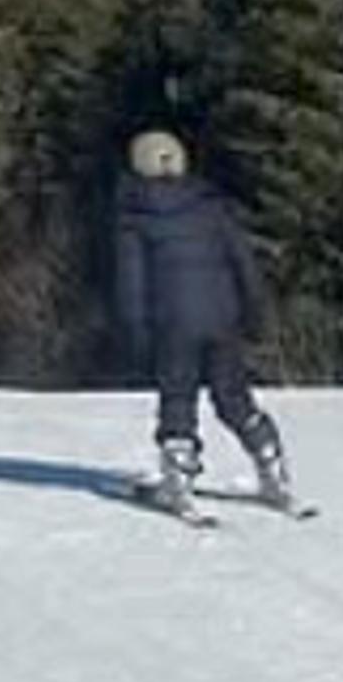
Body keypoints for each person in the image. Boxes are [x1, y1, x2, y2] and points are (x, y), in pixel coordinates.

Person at [112, 129, 290, 513]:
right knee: (233, 395)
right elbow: (244, 263)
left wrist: (136, 334)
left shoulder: (134, 218)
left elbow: (131, 284)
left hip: (173, 323)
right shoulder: (211, 206)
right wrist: (256, 313)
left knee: (178, 397)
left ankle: (178, 476)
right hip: (223, 317)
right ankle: (270, 462)